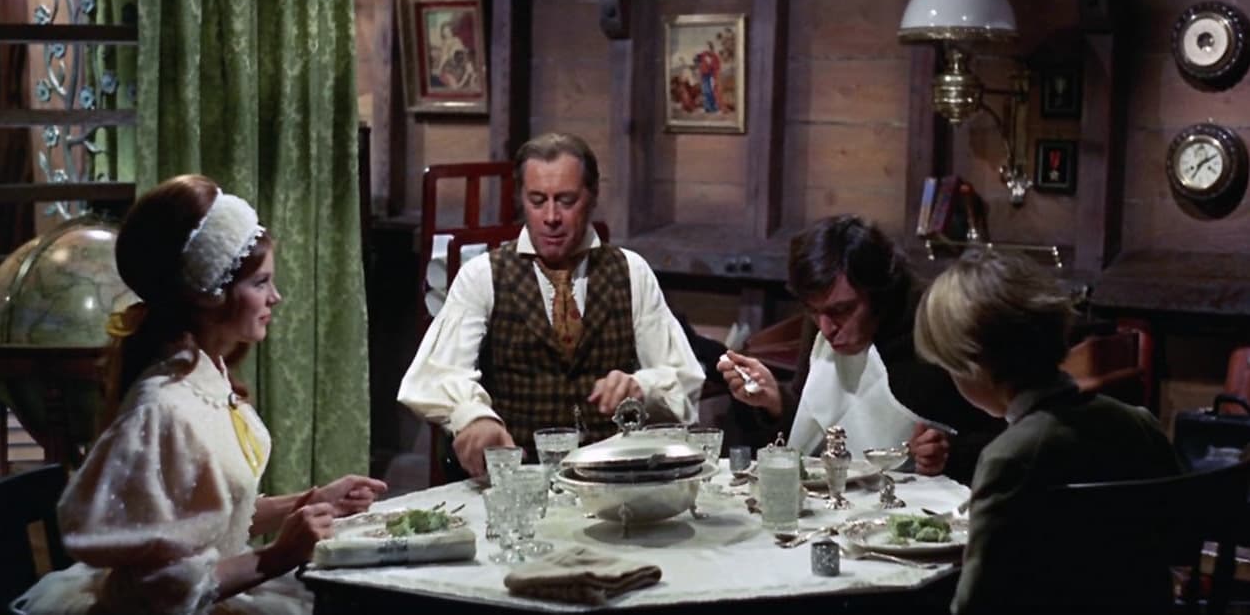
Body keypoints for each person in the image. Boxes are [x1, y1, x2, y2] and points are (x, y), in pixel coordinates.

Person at [14, 174, 387, 615]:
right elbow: (159, 589)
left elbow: (208, 521)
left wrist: (312, 501)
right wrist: (280, 554)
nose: (276, 297)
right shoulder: (161, 408)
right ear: (211, 295)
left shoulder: (207, 374)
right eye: (260, 283)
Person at [399, 133, 705, 478]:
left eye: (566, 200)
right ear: (521, 199)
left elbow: (684, 379)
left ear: (592, 197)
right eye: (537, 200)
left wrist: (642, 387)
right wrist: (472, 415)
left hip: (611, 477)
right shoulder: (483, 275)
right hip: (518, 479)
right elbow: (435, 374)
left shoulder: (631, 271)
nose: (551, 216)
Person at [914, 248, 1180, 615]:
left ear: (973, 366)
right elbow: (1180, 542)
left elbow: (976, 604)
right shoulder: (1140, 423)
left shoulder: (1010, 458)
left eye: (949, 367)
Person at [719, 215, 1003, 482]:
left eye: (842, 310)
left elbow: (1003, 433)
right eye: (813, 311)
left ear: (879, 292)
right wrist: (775, 402)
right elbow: (816, 425)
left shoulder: (935, 322)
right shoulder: (825, 319)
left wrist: (948, 453)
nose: (826, 328)